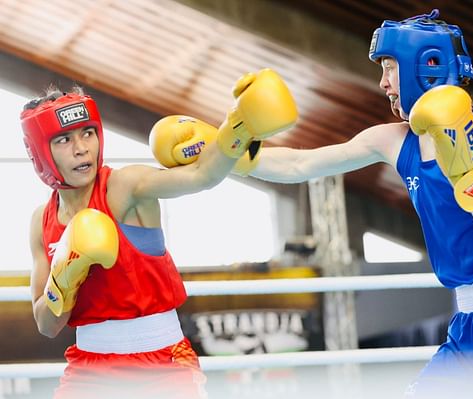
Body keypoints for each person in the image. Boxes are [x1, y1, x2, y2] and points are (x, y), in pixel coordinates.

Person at [188, 10, 473, 398]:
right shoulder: (393, 140)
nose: (384, 83)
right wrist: (228, 151)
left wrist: (471, 180)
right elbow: (301, 163)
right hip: (469, 320)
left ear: (426, 65)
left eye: (389, 67)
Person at [22, 68, 297, 399]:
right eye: (64, 140)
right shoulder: (42, 221)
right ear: (39, 152)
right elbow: (46, 325)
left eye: (88, 133)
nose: (81, 149)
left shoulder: (124, 187)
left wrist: (240, 126)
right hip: (90, 369)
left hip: (163, 363)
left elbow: (201, 175)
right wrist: (64, 278)